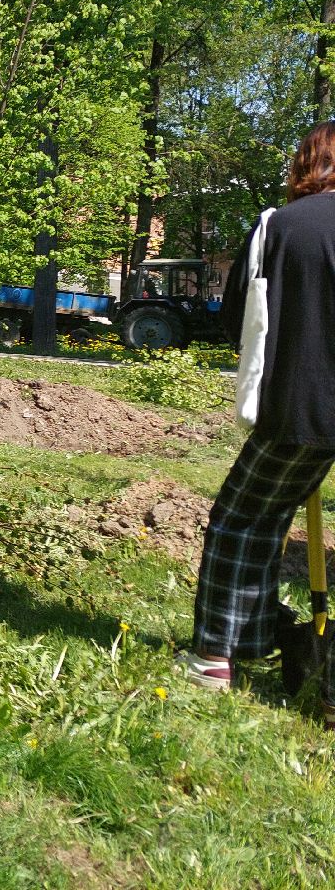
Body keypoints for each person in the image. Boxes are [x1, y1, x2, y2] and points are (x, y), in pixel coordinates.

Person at [183, 122, 335, 730]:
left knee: (242, 520)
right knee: (264, 519)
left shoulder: (279, 226)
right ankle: (268, 645)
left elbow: (236, 320)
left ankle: (215, 658)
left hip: (300, 410)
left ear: (307, 164)